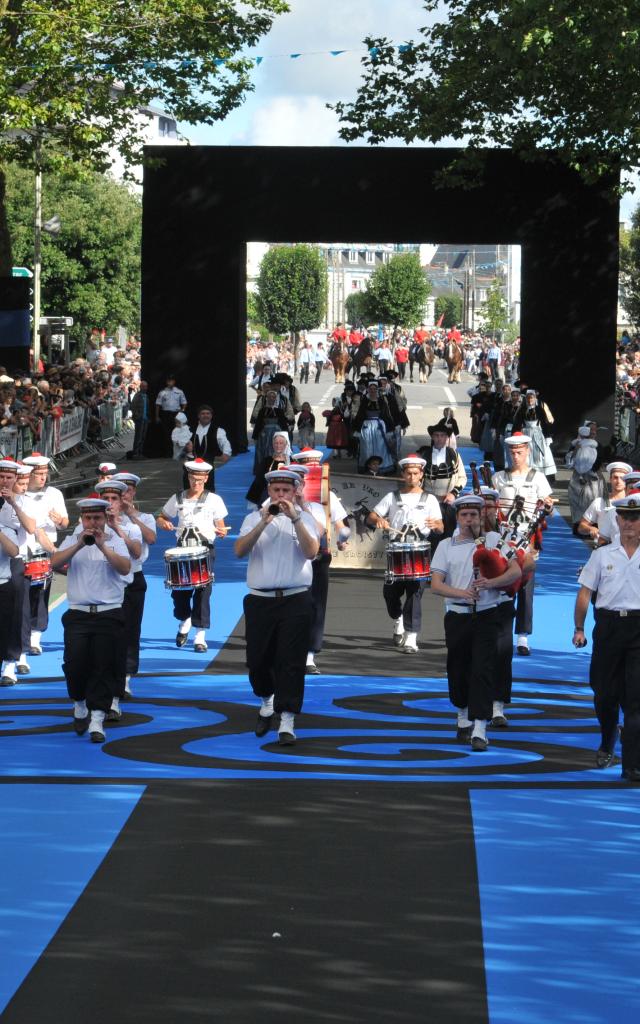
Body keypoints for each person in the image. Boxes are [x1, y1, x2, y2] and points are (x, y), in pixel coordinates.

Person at [430, 494, 522, 750]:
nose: (469, 520)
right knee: (458, 668)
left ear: (481, 516)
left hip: (487, 613)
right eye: (464, 515)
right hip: (458, 615)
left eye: (473, 515)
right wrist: (463, 593)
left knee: (483, 669)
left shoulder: (494, 541)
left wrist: (491, 583)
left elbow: (516, 570)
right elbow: (436, 585)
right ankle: (462, 716)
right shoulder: (446, 545)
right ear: (457, 518)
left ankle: (480, 728)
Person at [235, 468, 319, 744]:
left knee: (291, 661)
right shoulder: (252, 518)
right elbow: (239, 551)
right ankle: (267, 699)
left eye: (286, 491)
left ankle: (287, 718)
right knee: (258, 661)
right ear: (269, 491)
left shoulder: (305, 517)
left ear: (295, 491)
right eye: (276, 491)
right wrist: (264, 521)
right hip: (261, 600)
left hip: (296, 598)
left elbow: (311, 552)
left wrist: (295, 519)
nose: (281, 496)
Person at [50, 495, 131, 743]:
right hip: (78, 613)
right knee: (74, 665)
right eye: (88, 518)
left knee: (103, 666)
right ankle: (79, 703)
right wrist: (80, 544)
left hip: (108, 612)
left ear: (105, 517)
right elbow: (54, 563)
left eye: (97, 517)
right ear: (82, 519)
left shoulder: (116, 540)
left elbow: (125, 568)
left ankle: (97, 719)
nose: (92, 522)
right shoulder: (73, 538)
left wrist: (102, 546)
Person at [574, 494, 640, 780]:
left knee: (636, 699)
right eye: (624, 517)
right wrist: (578, 628)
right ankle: (607, 740)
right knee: (604, 695)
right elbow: (585, 592)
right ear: (617, 520)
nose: (629, 523)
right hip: (609, 628)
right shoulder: (601, 555)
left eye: (635, 518)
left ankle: (633, 763)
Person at [367, 454, 443, 652]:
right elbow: (372, 516)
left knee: (414, 594)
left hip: (420, 551)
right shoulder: (392, 497)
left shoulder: (430, 499)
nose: (411, 476)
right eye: (408, 473)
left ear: (421, 475)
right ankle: (398, 618)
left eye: (415, 473)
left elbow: (441, 528)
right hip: (397, 551)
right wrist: (379, 521)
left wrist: (437, 525)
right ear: (402, 474)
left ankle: (411, 637)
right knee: (390, 594)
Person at [157, 458, 228, 653]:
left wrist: (222, 532)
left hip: (205, 550)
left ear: (206, 479)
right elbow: (161, 517)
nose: (195, 483)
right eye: (192, 478)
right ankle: (184, 619)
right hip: (182, 550)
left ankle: (200, 636)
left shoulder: (214, 500)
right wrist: (164, 523)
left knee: (203, 593)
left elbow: (221, 527)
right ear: (188, 477)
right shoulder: (178, 498)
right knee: (179, 593)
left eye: (199, 479)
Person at [492, 432, 554, 656]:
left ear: (527, 451)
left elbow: (550, 510)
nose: (516, 456)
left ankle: (523, 636)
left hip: (527, 539)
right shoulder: (498, 478)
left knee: (526, 586)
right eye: (512, 452)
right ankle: (501, 629)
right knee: (502, 583)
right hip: (503, 539)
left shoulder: (538, 478)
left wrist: (547, 507)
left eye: (520, 452)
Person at [289, 449, 351, 673]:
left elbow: (339, 526)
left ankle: (309, 654)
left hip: (316, 557)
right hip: (288, 558)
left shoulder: (323, 500)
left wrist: (343, 538)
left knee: (315, 604)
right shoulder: (274, 499)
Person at [112, 471, 157, 698]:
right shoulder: (104, 516)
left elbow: (151, 538)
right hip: (110, 579)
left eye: (129, 490)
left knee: (131, 629)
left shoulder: (145, 517)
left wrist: (131, 514)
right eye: (121, 491)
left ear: (134, 492)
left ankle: (127, 677)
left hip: (134, 576)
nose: (125, 494)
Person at [23, 452, 69, 655]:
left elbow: (65, 523)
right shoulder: (19, 494)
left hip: (46, 549)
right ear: (28, 474)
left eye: (45, 473)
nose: (43, 477)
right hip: (22, 548)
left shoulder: (54, 494)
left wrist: (60, 520)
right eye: (39, 473)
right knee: (22, 595)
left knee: (41, 594)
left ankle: (35, 637)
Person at [418, 424, 468, 537]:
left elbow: (462, 477)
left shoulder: (454, 454)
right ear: (432, 437)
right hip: (429, 503)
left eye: (442, 435)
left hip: (449, 503)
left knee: (449, 535)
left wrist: (453, 493)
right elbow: (419, 480)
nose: (439, 438)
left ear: (447, 438)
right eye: (436, 435)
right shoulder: (425, 455)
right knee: (430, 535)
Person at [182, 404, 232, 491]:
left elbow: (225, 443)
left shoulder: (218, 430)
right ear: (198, 416)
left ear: (211, 416)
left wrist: (226, 453)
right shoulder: (190, 429)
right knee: (188, 490)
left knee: (208, 492)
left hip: (208, 467)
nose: (205, 415)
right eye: (203, 413)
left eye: (208, 413)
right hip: (190, 466)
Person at [352, 381, 395, 474]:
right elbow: (360, 415)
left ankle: (382, 467)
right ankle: (367, 467)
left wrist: (389, 429)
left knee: (381, 446)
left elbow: (386, 414)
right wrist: (357, 429)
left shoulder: (381, 400)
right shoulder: (365, 401)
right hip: (367, 427)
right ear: (368, 390)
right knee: (367, 447)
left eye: (374, 389)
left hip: (379, 427)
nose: (372, 391)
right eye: (370, 389)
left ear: (377, 390)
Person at [246, 430, 291, 508]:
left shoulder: (292, 461)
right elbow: (259, 480)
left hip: (286, 495)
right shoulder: (266, 461)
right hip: (267, 496)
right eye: (276, 443)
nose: (278, 446)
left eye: (281, 443)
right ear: (273, 444)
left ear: (286, 444)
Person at [155, 375, 188, 456]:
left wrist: (182, 411)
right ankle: (168, 452)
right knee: (167, 433)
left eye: (172, 380)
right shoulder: (162, 392)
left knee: (178, 433)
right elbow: (158, 405)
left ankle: (178, 452)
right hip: (166, 414)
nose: (170, 382)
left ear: (174, 382)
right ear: (167, 382)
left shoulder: (179, 392)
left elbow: (184, 403)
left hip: (176, 414)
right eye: (169, 381)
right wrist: (157, 416)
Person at [130, 380, 150, 459]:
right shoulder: (137, 396)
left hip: (145, 419)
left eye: (146, 386)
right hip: (139, 419)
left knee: (143, 437)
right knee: (138, 436)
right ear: (140, 387)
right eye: (143, 386)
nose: (145, 388)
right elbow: (133, 407)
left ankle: (140, 453)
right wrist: (137, 416)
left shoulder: (146, 396)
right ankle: (135, 453)